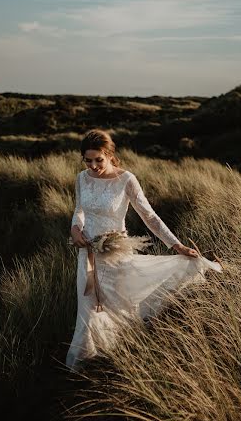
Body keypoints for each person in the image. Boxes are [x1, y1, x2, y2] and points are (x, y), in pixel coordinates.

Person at [66, 129, 221, 372]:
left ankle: (120, 359)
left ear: (109, 155)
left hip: (116, 254)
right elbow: (79, 210)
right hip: (87, 255)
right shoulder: (81, 179)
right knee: (88, 311)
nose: (93, 165)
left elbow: (150, 217)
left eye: (99, 159)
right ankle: (86, 365)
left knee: (120, 308)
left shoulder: (126, 179)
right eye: (88, 160)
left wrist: (176, 245)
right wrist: (76, 229)